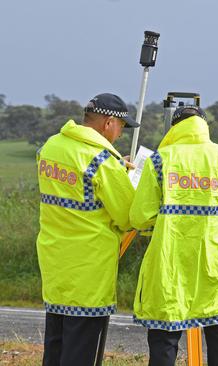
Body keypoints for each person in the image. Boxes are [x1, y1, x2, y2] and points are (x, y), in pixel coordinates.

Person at [130, 105, 218, 366]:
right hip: (214, 264)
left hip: (170, 266)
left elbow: (139, 217)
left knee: (164, 343)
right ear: (204, 125)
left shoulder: (160, 160)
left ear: (174, 128)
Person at [36, 93, 139, 365]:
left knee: (55, 349)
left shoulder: (51, 146)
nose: (119, 134)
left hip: (55, 263)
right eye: (121, 127)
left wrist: (117, 169)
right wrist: (123, 176)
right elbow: (127, 217)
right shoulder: (103, 160)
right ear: (108, 123)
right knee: (82, 353)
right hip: (89, 272)